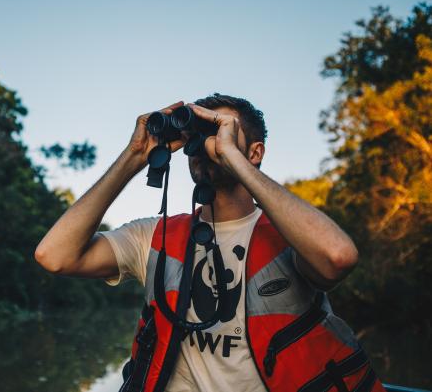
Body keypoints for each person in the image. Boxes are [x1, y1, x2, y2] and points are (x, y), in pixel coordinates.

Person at [34, 94, 384, 392]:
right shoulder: (154, 237)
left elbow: (338, 257)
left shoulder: (291, 234)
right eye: (200, 136)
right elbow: (54, 256)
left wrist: (233, 158)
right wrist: (135, 156)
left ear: (255, 152)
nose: (207, 147)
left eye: (222, 133)